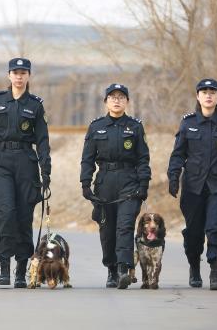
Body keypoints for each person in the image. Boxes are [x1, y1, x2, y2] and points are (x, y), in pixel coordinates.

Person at [0, 58, 51, 288]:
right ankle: (4, 265)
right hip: (2, 162)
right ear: (9, 75)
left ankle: (20, 270)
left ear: (28, 76)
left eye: (23, 72)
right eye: (15, 72)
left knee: (24, 218)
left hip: (27, 162)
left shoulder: (35, 105)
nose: (19, 76)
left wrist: (46, 171)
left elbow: (43, 141)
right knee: (6, 213)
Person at [167, 78, 217, 290]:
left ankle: (215, 273)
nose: (208, 95)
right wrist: (173, 177)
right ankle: (194, 268)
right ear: (197, 96)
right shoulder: (188, 122)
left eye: (213, 91)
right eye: (204, 91)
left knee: (216, 228)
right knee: (194, 233)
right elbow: (178, 154)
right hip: (193, 187)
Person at [80, 83, 151, 289]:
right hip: (105, 183)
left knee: (125, 226)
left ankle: (123, 269)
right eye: (112, 97)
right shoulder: (96, 127)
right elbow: (87, 159)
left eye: (121, 97)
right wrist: (85, 184)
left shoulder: (136, 127)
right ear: (106, 102)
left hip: (129, 181)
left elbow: (143, 159)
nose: (117, 100)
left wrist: (144, 184)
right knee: (107, 229)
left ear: (127, 101)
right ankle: (111, 269)